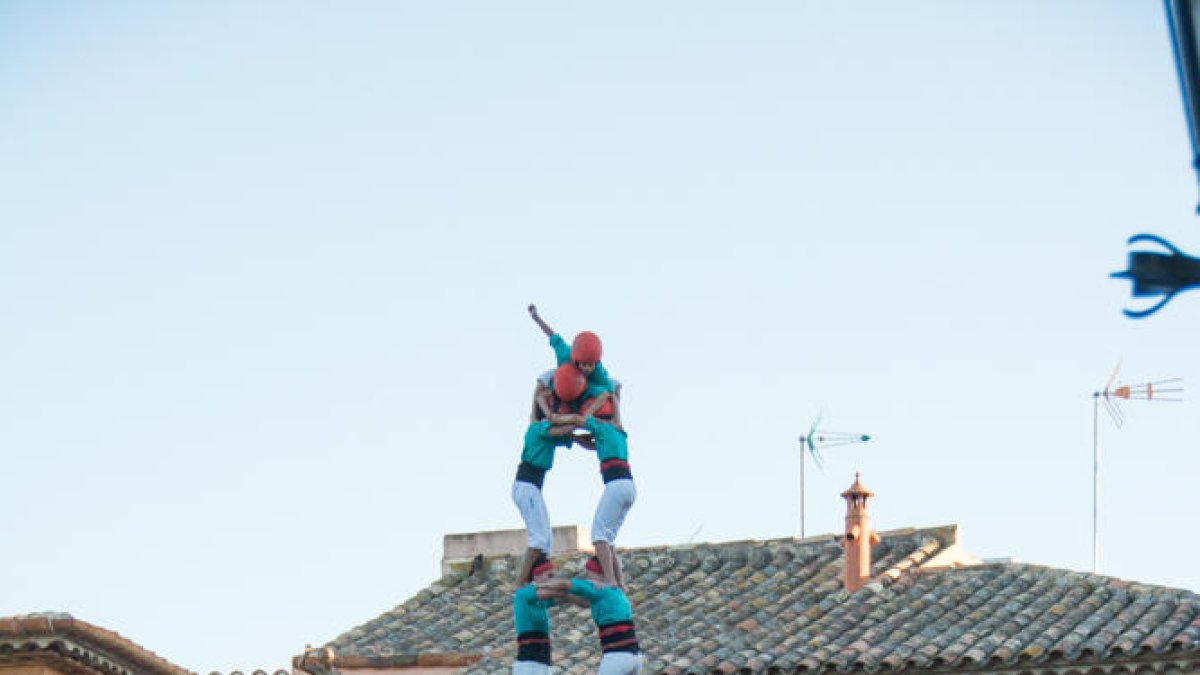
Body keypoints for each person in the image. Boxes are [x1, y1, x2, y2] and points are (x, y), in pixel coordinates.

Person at [513, 364, 587, 586]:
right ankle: (521, 583)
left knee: (546, 542)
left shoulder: (545, 431)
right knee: (540, 539)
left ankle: (537, 577)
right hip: (526, 485)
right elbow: (563, 431)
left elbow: (573, 438)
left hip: (531, 486)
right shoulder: (537, 429)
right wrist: (581, 417)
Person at [562, 393, 634, 589]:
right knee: (608, 540)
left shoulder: (600, 427)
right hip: (629, 486)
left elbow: (582, 421)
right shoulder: (617, 430)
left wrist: (586, 411)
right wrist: (576, 439)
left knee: (598, 536)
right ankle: (621, 583)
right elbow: (593, 444)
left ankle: (610, 579)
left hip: (616, 485)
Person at [537, 556, 642, 675]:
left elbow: (565, 584)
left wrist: (539, 585)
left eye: (589, 574)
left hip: (617, 655)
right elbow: (586, 603)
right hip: (635, 656)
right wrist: (566, 596)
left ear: (600, 575)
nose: (587, 578)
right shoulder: (616, 592)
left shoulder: (599, 588)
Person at [528, 304, 617, 410]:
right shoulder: (565, 353)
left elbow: (610, 391)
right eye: (584, 365)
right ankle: (533, 416)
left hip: (586, 384)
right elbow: (551, 334)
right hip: (563, 374)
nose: (588, 368)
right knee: (541, 380)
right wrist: (536, 317)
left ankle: (614, 421)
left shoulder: (598, 371)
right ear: (576, 361)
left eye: (591, 365)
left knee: (617, 385)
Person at [511, 556, 561, 675]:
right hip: (529, 665)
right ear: (536, 577)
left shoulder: (542, 601)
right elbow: (560, 592)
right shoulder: (523, 594)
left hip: (542, 664)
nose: (553, 580)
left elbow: (565, 597)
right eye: (550, 576)